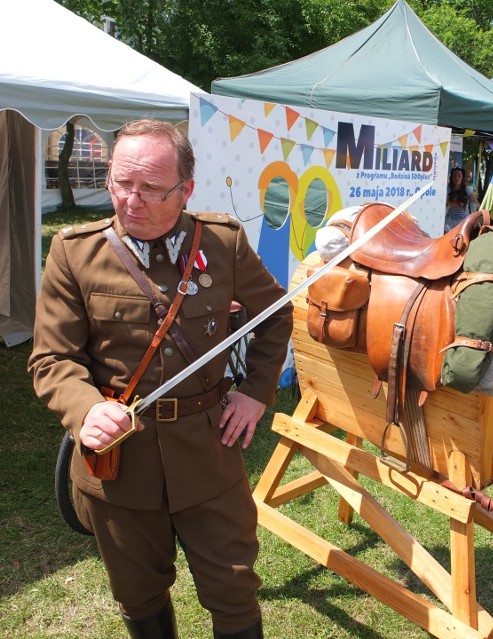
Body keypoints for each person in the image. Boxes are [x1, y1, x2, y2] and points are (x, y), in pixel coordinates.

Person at [28, 119, 294, 639]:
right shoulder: (74, 252)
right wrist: (84, 410)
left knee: (234, 590)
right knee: (138, 593)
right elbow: (51, 358)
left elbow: (276, 315)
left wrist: (255, 394)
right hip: (121, 465)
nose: (131, 199)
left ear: (186, 189)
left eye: (151, 187)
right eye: (121, 182)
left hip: (209, 453)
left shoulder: (222, 242)